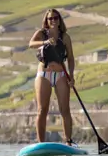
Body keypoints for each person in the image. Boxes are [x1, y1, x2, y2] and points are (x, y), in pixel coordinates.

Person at [28, 8, 76, 144]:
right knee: (42, 110)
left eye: (56, 18)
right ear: (46, 21)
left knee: (65, 110)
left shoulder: (65, 37)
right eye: (50, 18)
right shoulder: (41, 34)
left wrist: (71, 76)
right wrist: (45, 42)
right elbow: (31, 44)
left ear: (59, 20)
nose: (53, 20)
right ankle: (41, 143)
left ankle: (68, 142)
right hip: (44, 75)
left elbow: (70, 58)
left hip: (61, 75)